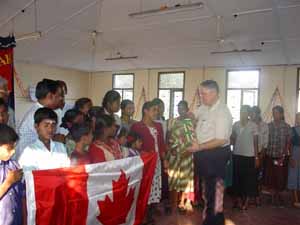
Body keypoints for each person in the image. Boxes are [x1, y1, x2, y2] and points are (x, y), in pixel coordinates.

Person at [188, 80, 232, 225]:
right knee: (208, 193)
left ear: (214, 93)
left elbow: (221, 139)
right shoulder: (204, 107)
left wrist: (199, 147)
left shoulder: (222, 112)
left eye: (204, 94)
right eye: (200, 93)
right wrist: (184, 122)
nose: (201, 97)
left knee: (215, 194)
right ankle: (213, 220)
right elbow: (193, 115)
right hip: (205, 156)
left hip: (216, 156)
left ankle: (213, 222)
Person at [130, 101, 167, 224]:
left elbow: (161, 144)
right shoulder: (137, 126)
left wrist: (164, 159)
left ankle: (150, 212)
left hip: (156, 162)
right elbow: (132, 145)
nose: (157, 112)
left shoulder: (158, 126)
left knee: (155, 185)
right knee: (144, 186)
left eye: (157, 110)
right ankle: (142, 213)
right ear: (145, 110)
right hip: (144, 162)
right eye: (154, 110)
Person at [17, 79, 63, 160]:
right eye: (59, 96)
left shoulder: (45, 112)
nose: (61, 99)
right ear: (50, 96)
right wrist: (56, 138)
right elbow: (48, 138)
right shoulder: (36, 114)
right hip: (30, 160)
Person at [167, 100, 196, 213]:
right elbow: (169, 136)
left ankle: (183, 203)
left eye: (183, 108)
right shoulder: (173, 122)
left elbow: (192, 139)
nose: (180, 110)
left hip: (186, 154)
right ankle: (173, 204)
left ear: (187, 109)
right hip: (174, 154)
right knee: (173, 178)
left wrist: (188, 152)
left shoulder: (189, 123)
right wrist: (172, 148)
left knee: (185, 180)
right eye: (179, 108)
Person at [231, 105, 259, 211]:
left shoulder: (253, 125)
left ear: (248, 114)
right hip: (237, 155)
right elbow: (232, 140)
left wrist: (256, 157)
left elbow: (256, 142)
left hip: (249, 156)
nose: (242, 113)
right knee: (237, 179)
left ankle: (246, 202)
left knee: (248, 180)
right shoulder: (236, 124)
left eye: (245, 112)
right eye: (241, 111)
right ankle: (237, 201)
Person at [264, 106, 291, 207]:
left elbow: (288, 142)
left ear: (281, 114)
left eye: (276, 113)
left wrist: (283, 156)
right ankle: (271, 197)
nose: (274, 115)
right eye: (273, 112)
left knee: (280, 178)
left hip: (281, 157)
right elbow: (265, 140)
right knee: (270, 177)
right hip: (270, 156)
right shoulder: (269, 126)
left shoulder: (286, 127)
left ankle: (279, 197)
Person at [0, 124, 25, 225]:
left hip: (16, 220)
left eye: (14, 147)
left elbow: (22, 195)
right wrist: (8, 182)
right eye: (9, 149)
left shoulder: (14, 165)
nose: (13, 152)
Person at [250, 106, 269, 205]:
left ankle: (257, 196)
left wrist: (262, 153)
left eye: (254, 113)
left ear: (258, 114)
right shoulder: (249, 125)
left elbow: (265, 141)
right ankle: (249, 196)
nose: (252, 115)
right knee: (250, 175)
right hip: (249, 153)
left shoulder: (264, 125)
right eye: (251, 113)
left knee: (259, 175)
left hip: (260, 153)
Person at [288, 112, 300, 208]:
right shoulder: (292, 130)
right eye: (297, 118)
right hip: (295, 154)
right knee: (294, 176)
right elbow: (290, 145)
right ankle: (295, 199)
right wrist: (291, 157)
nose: (298, 119)